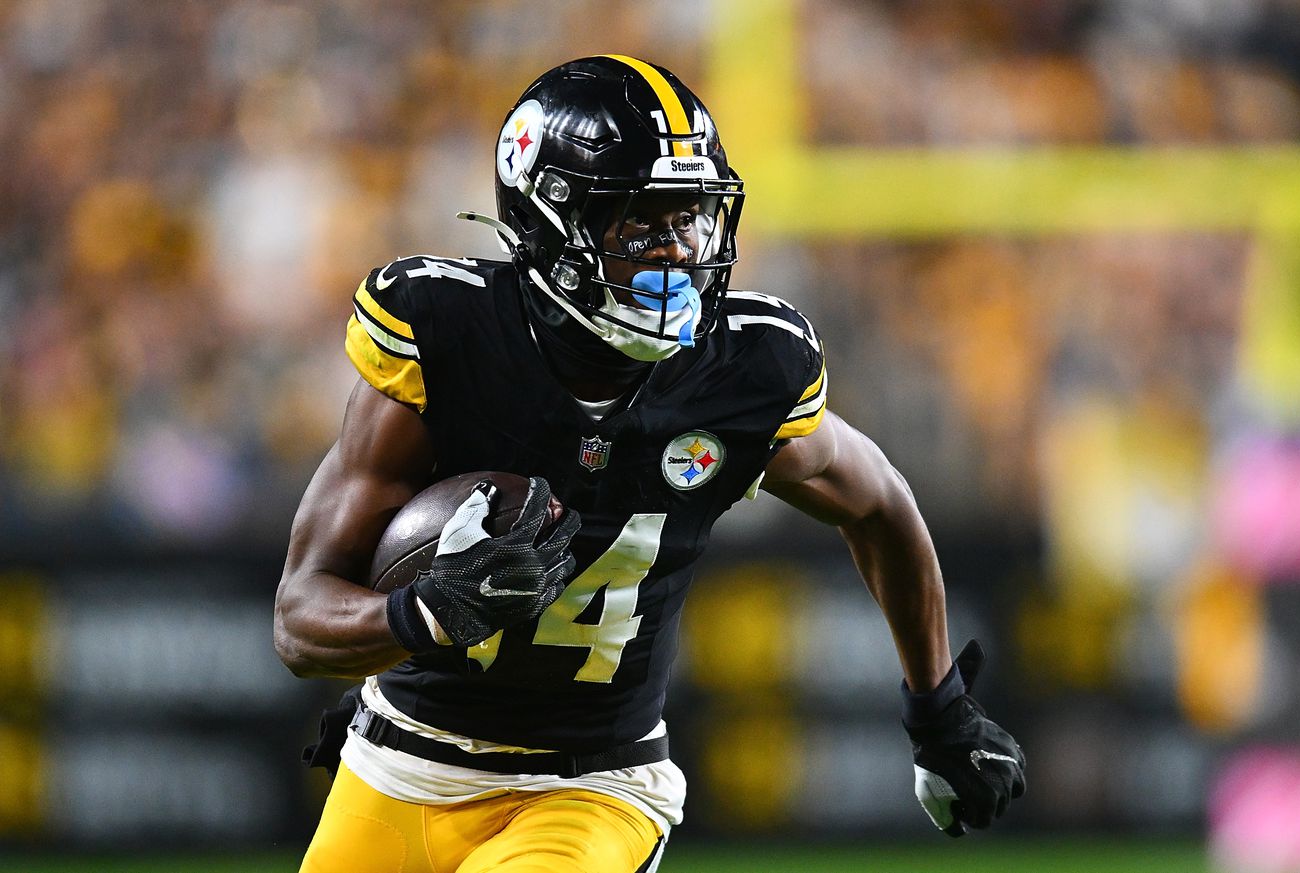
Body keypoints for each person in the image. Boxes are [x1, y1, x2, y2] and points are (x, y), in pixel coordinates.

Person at [274, 54, 1025, 873]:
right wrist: (417, 617)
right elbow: (300, 616)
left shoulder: (743, 370)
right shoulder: (447, 336)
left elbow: (880, 503)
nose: (676, 252)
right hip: (401, 764)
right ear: (549, 224)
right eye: (640, 223)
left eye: (691, 219)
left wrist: (939, 707)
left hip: (592, 784)